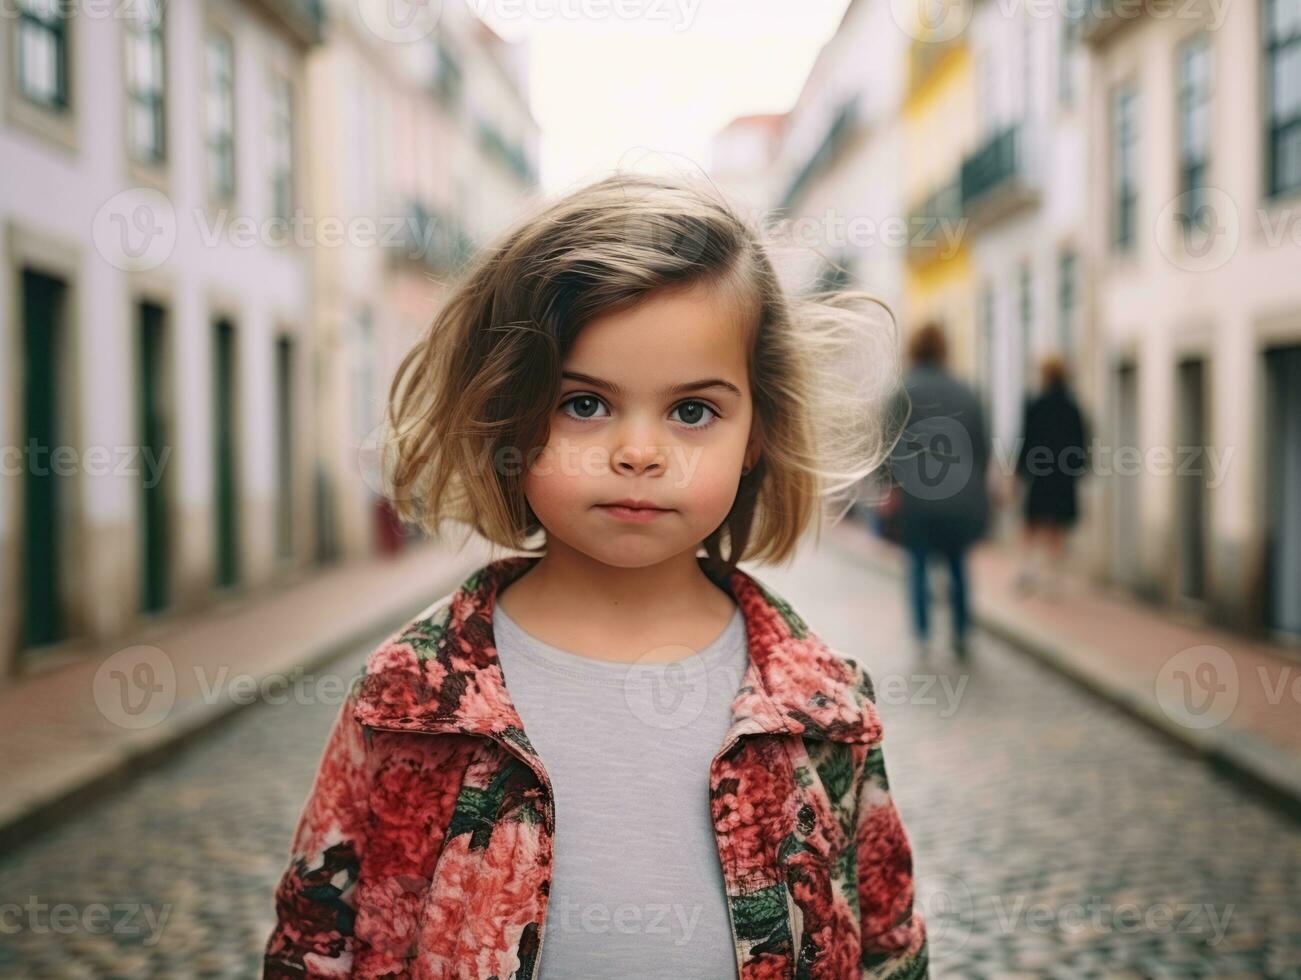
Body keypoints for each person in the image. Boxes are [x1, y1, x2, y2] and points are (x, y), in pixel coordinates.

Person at [263, 172, 928, 979]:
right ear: (510, 411)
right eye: (584, 404)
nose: (638, 452)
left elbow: (889, 946)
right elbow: (312, 946)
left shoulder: (824, 706)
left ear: (757, 431)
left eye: (692, 411)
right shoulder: (408, 694)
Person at [888, 322, 990, 661]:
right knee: (959, 564)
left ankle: (922, 634)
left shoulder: (905, 392)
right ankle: (961, 632)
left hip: (920, 497)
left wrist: (889, 488)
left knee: (917, 564)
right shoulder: (966, 391)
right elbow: (981, 449)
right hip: (962, 496)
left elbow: (891, 446)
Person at [1014, 354, 1088, 598]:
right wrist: (1076, 470)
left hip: (1040, 474)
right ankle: (1053, 578)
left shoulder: (1036, 405)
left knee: (1031, 523)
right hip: (1063, 476)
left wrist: (1018, 473)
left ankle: (1028, 570)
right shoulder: (1073, 408)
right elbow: (1082, 445)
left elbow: (1025, 441)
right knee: (1058, 528)